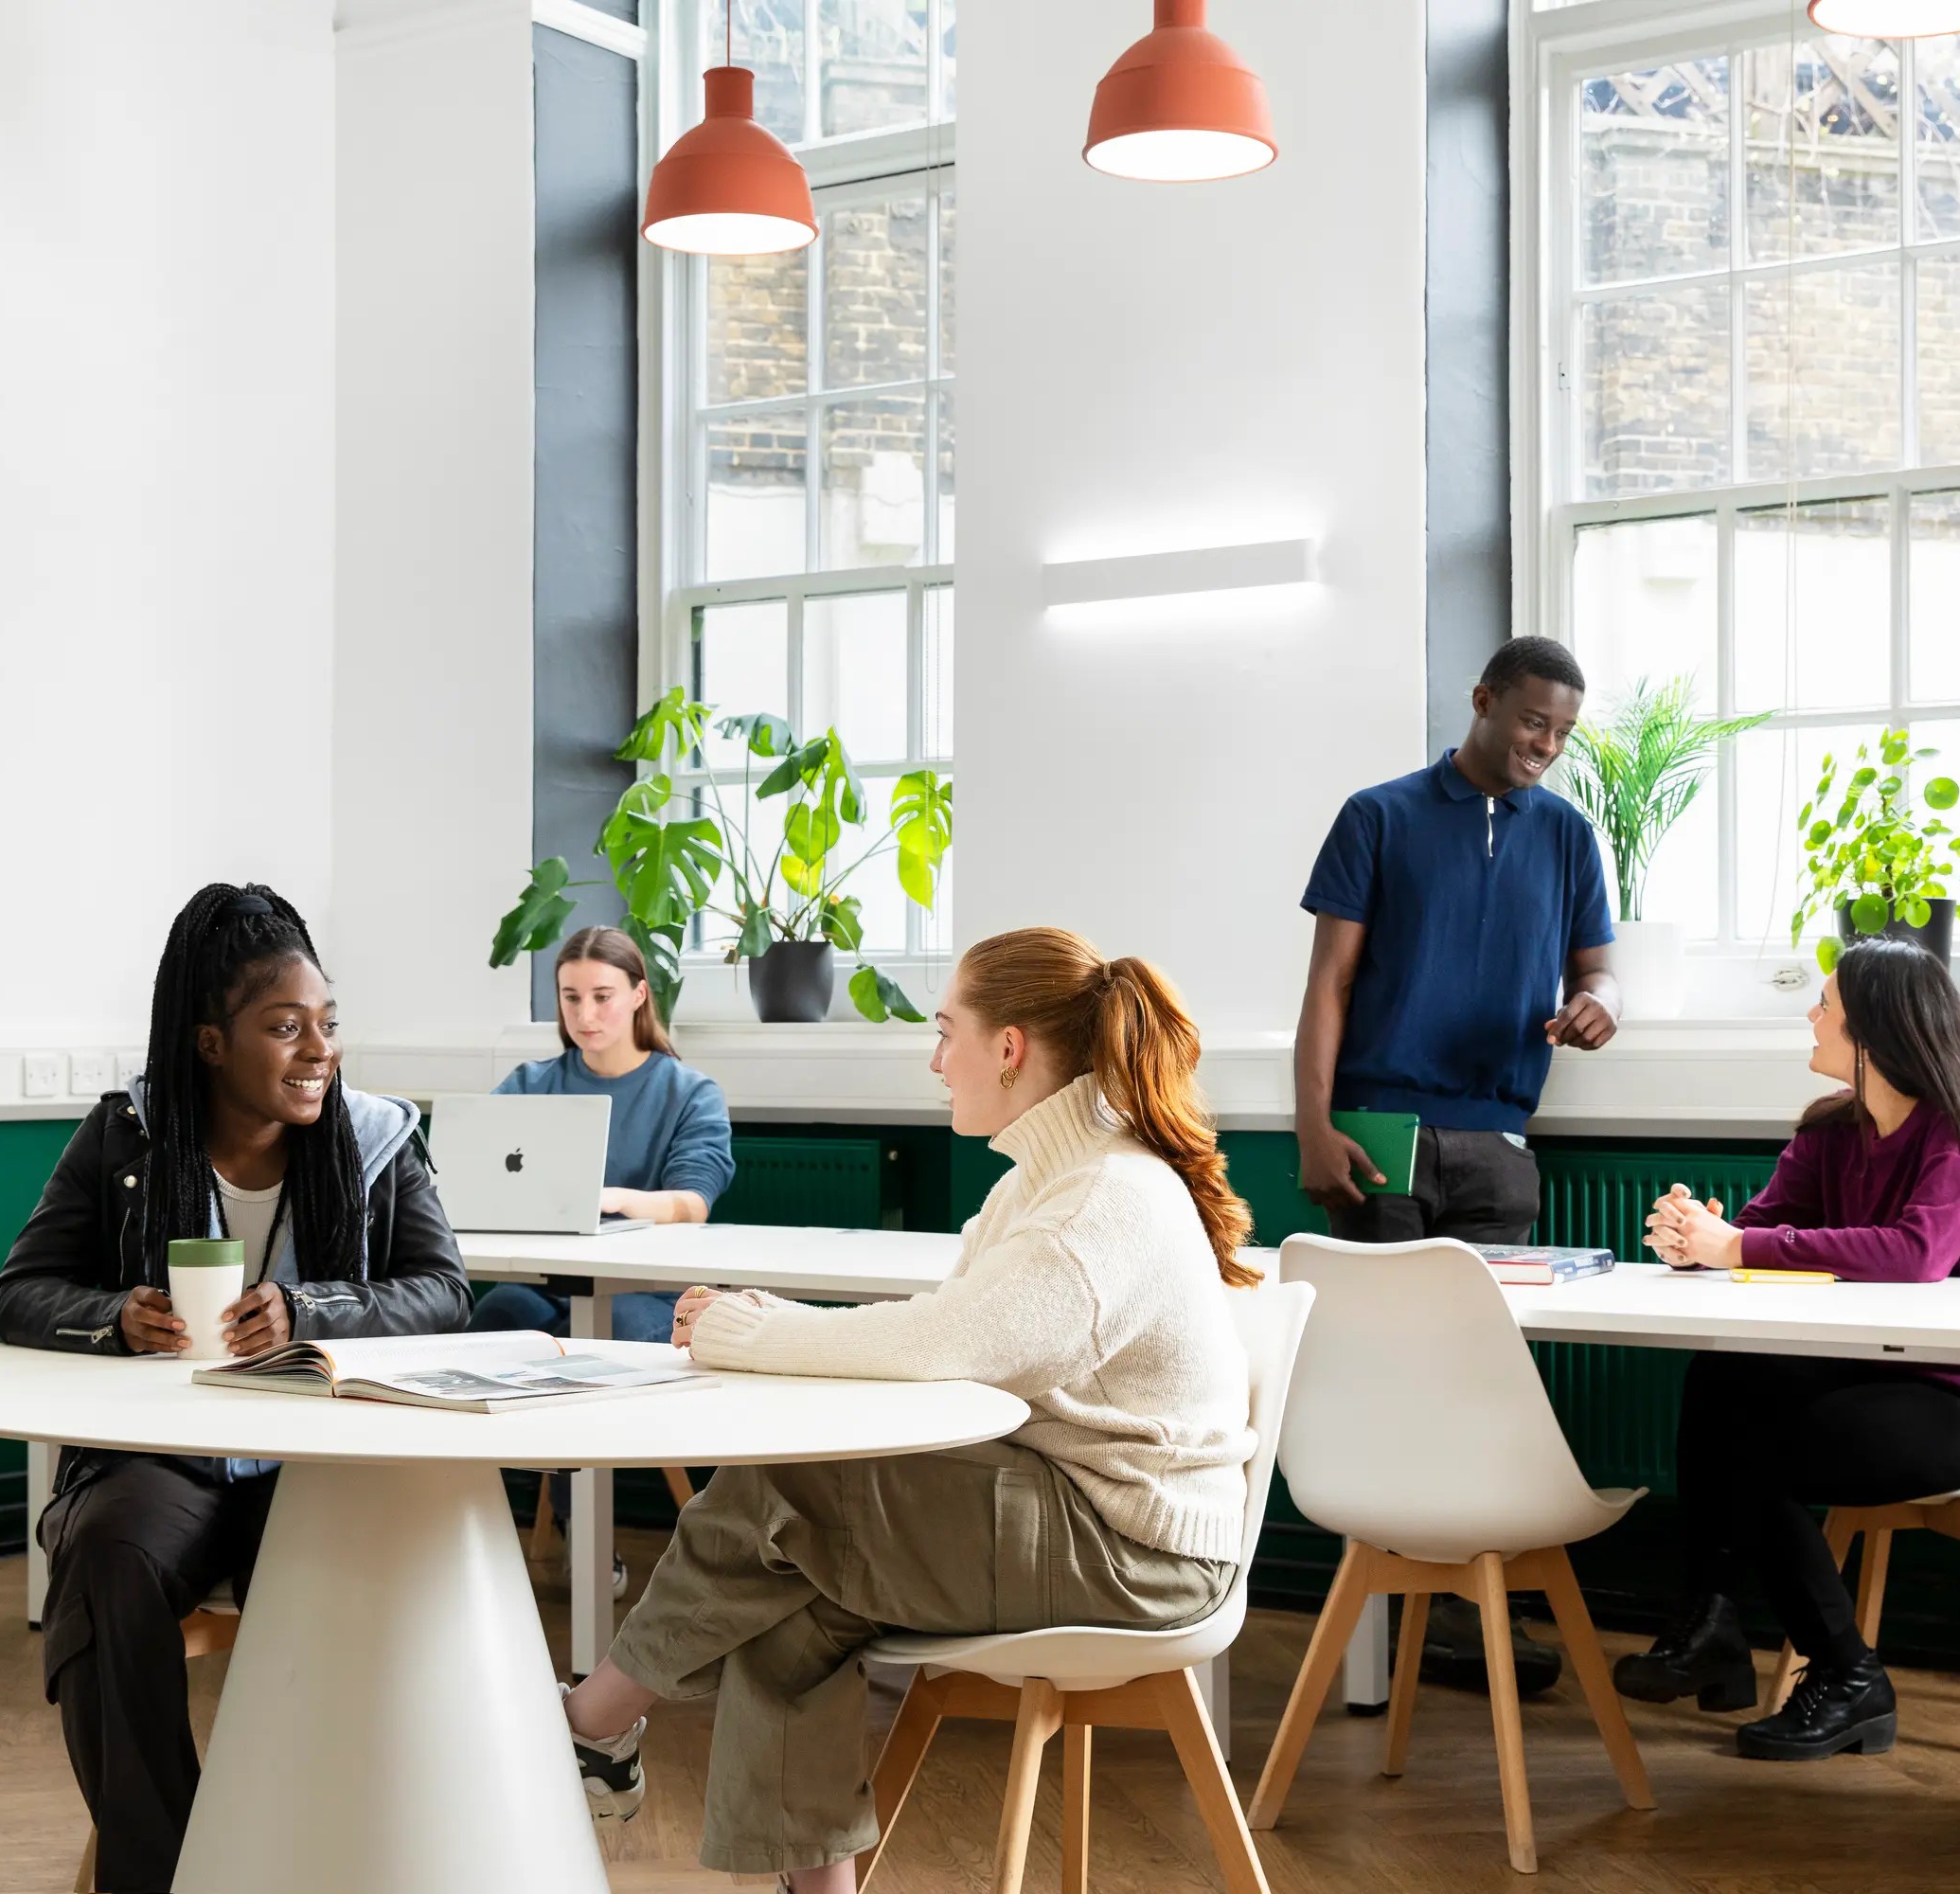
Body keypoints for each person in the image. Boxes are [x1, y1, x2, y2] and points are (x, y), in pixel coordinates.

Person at [556, 927, 1258, 1893]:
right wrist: (763, 1323)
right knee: (791, 1609)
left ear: (1008, 1048)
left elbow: (947, 1348)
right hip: (1083, 1509)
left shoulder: (1101, 1199)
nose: (935, 1060)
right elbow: (948, 1329)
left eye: (945, 1031)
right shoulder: (1046, 1181)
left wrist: (755, 1331)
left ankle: (590, 1724)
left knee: (789, 1482)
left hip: (1137, 1555)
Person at [0, 884, 471, 1893]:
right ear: (211, 1042)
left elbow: (442, 1292)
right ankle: (171, 1867)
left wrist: (313, 1312)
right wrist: (116, 1315)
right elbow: (20, 1289)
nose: (318, 1049)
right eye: (284, 1026)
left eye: (328, 1024)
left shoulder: (378, 1138)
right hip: (169, 1457)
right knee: (106, 1554)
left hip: (326, 1457)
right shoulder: (128, 1133)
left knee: (350, 1587)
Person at [1613, 935, 1960, 1762]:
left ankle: (1843, 1672)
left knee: (1757, 1446)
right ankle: (1711, 1619)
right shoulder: (1828, 1134)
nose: (1810, 1016)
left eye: (1827, 1006)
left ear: (1879, 1033)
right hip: (1870, 1380)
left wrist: (1735, 1249)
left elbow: (1915, 1254)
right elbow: (1755, 1227)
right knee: (1721, 1379)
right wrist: (1694, 1233)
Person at [1293, 634, 1619, 1691]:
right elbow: (1329, 987)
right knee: (1390, 1380)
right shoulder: (1377, 815)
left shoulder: (1568, 836)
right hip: (1381, 1126)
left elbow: (1600, 968)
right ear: (1483, 700)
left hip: (1500, 1139)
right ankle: (1378, 1643)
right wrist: (1312, 1122)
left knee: (1479, 1385)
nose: (1546, 745)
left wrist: (1600, 1005)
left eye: (1563, 732)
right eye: (1533, 721)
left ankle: (1469, 1617)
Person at [467, 924, 735, 1347]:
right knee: (496, 1318)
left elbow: (693, 1203)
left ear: (639, 996)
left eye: (602, 997)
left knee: (611, 1328)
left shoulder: (691, 1094)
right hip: (545, 1282)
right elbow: (472, 1166)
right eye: (571, 997)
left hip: (648, 1287)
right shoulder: (529, 1085)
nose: (584, 1014)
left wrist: (613, 1199)